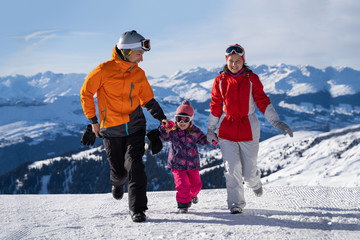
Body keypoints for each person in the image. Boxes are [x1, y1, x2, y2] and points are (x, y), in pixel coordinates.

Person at [80, 30, 168, 222]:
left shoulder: (138, 73)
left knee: (135, 166)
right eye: (139, 54)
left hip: (135, 126)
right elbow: (86, 93)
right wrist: (93, 121)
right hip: (111, 129)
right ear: (128, 52)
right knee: (120, 172)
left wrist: (162, 118)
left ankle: (137, 209)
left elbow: (147, 99)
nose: (142, 59)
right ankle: (117, 182)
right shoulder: (103, 70)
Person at [207, 44, 293, 214]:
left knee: (249, 172)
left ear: (243, 61)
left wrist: (277, 122)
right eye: (231, 61)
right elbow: (216, 106)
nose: (234, 64)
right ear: (226, 61)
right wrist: (211, 130)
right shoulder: (220, 80)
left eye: (238, 61)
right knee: (231, 169)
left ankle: (255, 183)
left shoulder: (252, 79)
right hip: (227, 129)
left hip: (249, 129)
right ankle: (236, 203)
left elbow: (262, 101)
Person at [159, 100, 209, 213]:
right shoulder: (173, 131)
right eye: (179, 119)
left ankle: (191, 196)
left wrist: (213, 138)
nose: (182, 122)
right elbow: (164, 137)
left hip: (192, 164)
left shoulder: (195, 131)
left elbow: (203, 140)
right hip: (177, 163)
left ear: (191, 120)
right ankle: (183, 204)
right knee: (183, 185)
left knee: (196, 185)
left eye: (185, 119)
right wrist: (164, 128)